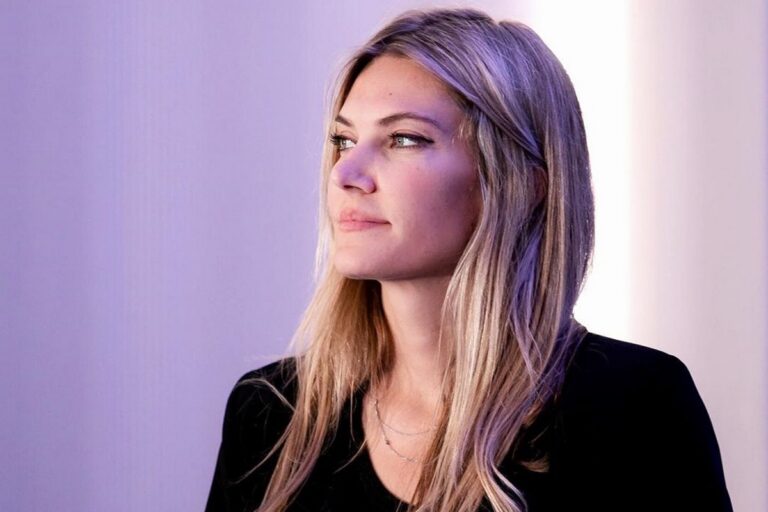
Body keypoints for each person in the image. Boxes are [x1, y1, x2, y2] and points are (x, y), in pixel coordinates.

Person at [205, 7, 732, 512]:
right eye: (344, 139)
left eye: (404, 138)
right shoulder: (270, 415)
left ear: (519, 182)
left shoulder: (632, 405)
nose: (346, 174)